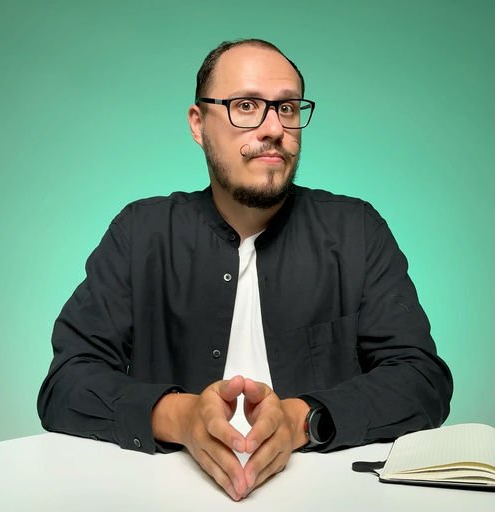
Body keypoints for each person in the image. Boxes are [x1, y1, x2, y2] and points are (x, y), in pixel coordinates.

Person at [37, 39, 453, 501]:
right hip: (163, 496)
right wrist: (181, 417)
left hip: (326, 496)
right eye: (247, 106)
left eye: (287, 108)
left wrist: (301, 420)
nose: (274, 128)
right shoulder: (141, 233)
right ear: (198, 124)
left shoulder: (357, 231)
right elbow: (67, 383)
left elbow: (422, 380)